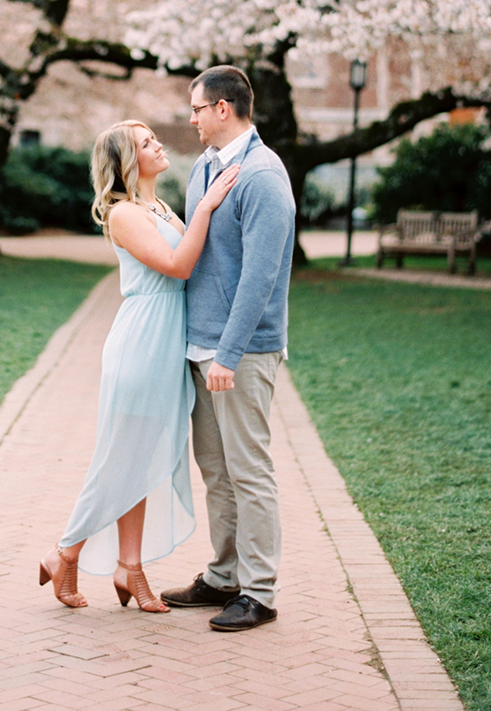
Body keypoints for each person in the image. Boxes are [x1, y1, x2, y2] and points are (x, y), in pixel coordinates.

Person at [40, 119, 239, 612]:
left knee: (142, 458)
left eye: (154, 137)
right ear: (128, 160)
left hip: (167, 341)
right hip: (141, 342)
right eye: (147, 142)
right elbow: (178, 267)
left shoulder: (161, 208)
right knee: (119, 457)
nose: (158, 144)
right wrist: (208, 207)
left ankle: (130, 569)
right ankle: (64, 551)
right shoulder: (124, 213)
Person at [161, 66, 296, 632]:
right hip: (201, 347)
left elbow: (259, 279)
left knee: (249, 470)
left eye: (197, 107)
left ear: (224, 108)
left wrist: (229, 354)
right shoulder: (204, 169)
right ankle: (223, 577)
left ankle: (259, 592)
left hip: (239, 353)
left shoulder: (263, 176)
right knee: (216, 470)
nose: (190, 117)